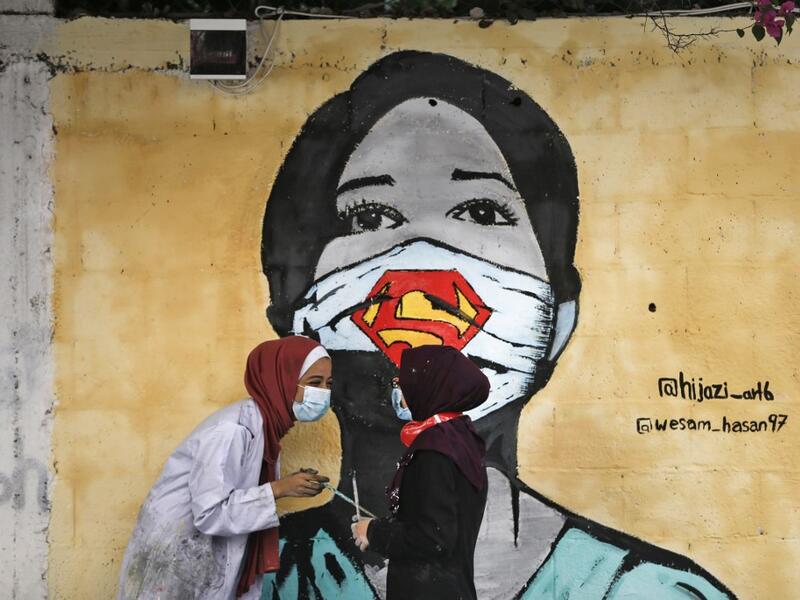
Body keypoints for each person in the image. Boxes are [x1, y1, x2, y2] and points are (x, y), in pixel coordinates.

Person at [258, 51, 734, 599]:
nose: (425, 268)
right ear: (294, 318)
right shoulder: (268, 580)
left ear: (559, 321)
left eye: (482, 213)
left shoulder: (650, 594)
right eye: (367, 217)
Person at [116, 336, 332, 600]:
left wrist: (283, 487)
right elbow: (210, 512)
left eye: (327, 384)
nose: (323, 392)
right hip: (175, 560)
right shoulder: (232, 431)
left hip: (196, 558)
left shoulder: (266, 430)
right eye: (314, 383)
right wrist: (279, 488)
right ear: (283, 380)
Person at [351, 345, 489, 600]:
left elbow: (433, 538)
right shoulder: (460, 440)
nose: (399, 391)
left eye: (402, 382)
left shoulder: (435, 452)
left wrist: (374, 532)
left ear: (429, 385)